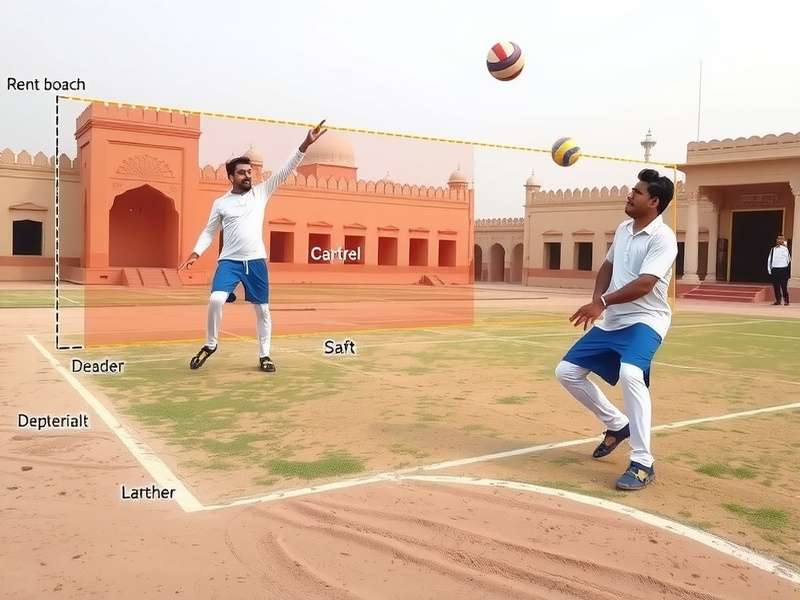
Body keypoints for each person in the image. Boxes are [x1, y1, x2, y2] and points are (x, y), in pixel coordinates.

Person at [555, 168, 678, 490]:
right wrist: (597, 301)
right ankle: (617, 424)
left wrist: (602, 302)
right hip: (614, 319)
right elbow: (608, 266)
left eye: (637, 192)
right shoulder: (624, 229)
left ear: (654, 201)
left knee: (631, 374)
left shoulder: (663, 238)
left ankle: (643, 462)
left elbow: (645, 284)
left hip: (646, 319)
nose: (630, 195)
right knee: (566, 371)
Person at [178, 120, 328, 372]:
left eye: (249, 172)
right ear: (231, 177)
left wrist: (305, 144)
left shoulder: (261, 193)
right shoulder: (221, 203)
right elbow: (209, 231)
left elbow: (285, 170)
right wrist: (196, 252)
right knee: (215, 299)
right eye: (242, 172)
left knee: (263, 311)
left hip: (256, 261)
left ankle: (264, 355)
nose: (247, 175)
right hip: (229, 262)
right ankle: (211, 344)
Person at [767, 234, 791, 306]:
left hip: (783, 269)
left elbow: (789, 260)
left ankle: (786, 301)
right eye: (778, 239)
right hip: (775, 269)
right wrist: (770, 269)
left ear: (783, 240)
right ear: (776, 240)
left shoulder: (786, 249)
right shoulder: (773, 249)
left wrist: (785, 268)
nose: (780, 240)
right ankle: (778, 300)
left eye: (781, 239)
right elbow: (769, 260)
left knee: (784, 286)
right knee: (776, 286)